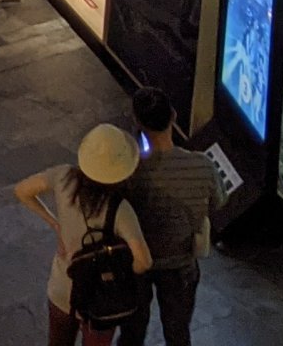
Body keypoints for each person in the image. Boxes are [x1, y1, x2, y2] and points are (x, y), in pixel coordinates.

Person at [16, 124, 154, 346]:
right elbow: (144, 261)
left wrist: (54, 223)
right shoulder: (120, 209)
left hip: (62, 288)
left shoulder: (63, 177)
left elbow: (22, 190)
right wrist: (125, 272)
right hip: (102, 298)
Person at [118, 87, 223, 344]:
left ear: (138, 124)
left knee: (132, 332)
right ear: (174, 116)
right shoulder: (202, 165)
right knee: (177, 332)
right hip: (181, 265)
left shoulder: (130, 172)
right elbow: (218, 203)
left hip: (137, 262)